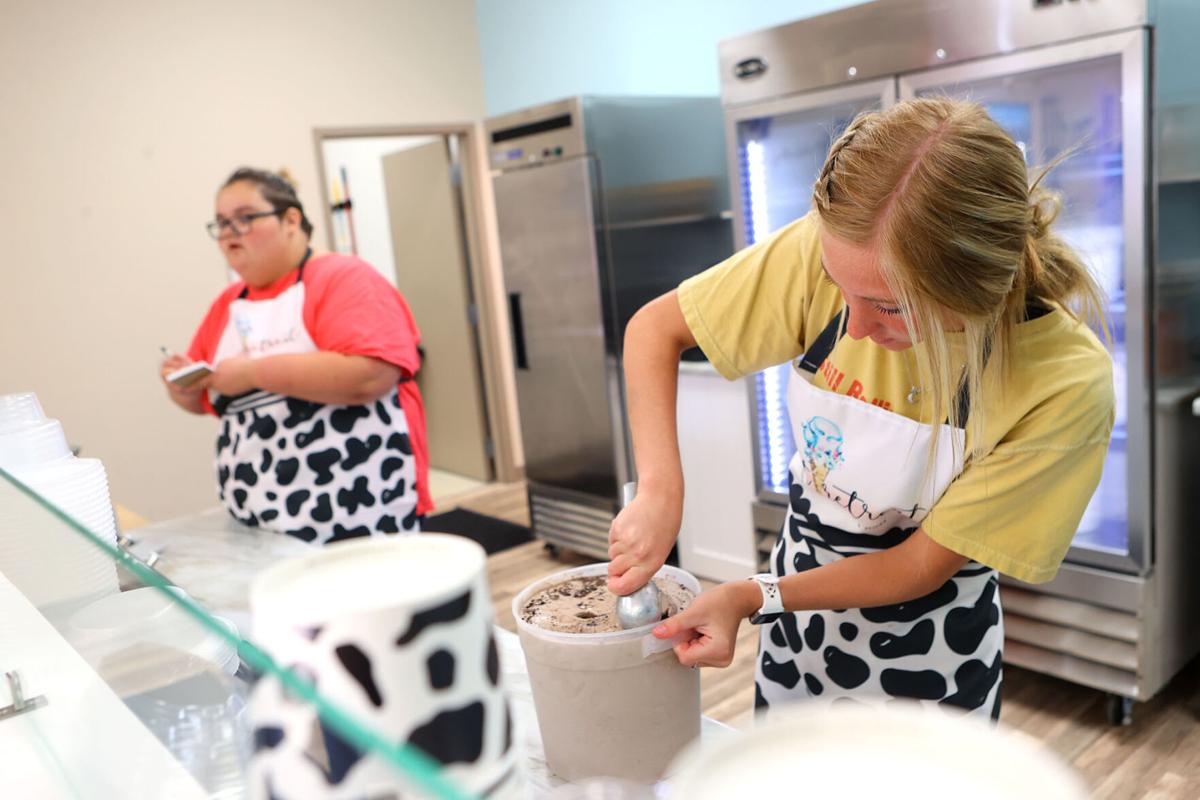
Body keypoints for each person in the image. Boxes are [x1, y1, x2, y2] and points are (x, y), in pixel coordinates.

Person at [607, 98, 1114, 719]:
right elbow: (654, 330)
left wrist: (750, 594)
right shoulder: (843, 245)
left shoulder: (1062, 382)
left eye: (890, 307)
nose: (853, 325)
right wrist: (660, 489)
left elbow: (921, 565)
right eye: (838, 287)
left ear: (976, 285)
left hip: (929, 652)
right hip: (794, 623)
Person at [160, 167, 431, 543]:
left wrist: (253, 373)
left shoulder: (343, 277)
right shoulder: (228, 304)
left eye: (244, 219)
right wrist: (182, 386)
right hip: (258, 515)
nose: (228, 236)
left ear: (291, 220)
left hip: (359, 512)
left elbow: (370, 375)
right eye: (221, 224)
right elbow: (203, 398)